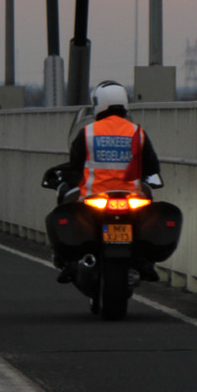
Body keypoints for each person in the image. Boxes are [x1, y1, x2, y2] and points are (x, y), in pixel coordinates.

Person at [48, 80, 163, 282]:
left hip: (94, 196)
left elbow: (76, 165)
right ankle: (144, 260)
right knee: (148, 207)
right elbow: (152, 166)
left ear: (99, 103)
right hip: (131, 198)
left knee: (65, 208)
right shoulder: (137, 132)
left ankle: (69, 261)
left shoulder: (88, 132)